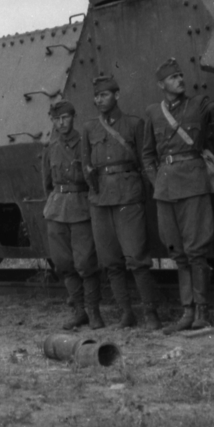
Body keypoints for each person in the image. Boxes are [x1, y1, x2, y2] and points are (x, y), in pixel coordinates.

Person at [141, 57, 214, 331]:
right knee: (177, 251)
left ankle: (201, 312)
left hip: (194, 184)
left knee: (196, 251)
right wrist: (156, 181)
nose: (180, 80)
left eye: (181, 75)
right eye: (173, 77)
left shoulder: (199, 104)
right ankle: (187, 312)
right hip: (165, 188)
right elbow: (147, 154)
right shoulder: (153, 113)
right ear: (161, 85)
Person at [82, 73, 161, 329]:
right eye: (96, 96)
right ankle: (126, 313)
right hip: (100, 200)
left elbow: (145, 160)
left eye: (104, 95)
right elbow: (85, 165)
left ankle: (151, 313)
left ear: (117, 95)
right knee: (110, 261)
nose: (99, 100)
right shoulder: (89, 128)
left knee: (137, 258)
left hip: (128, 196)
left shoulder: (134, 124)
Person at [41, 100, 102, 329]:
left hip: (81, 208)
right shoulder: (51, 149)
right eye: (57, 119)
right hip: (57, 210)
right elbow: (47, 184)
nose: (61, 123)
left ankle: (94, 312)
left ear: (73, 117)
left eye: (65, 117)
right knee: (64, 263)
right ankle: (79, 311)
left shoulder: (85, 144)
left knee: (86, 262)